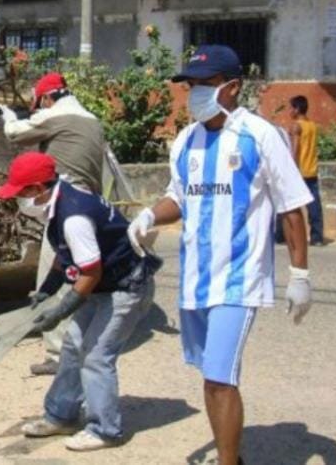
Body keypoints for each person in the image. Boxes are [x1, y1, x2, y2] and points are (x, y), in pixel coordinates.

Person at [127, 45, 314, 465]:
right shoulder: (185, 141)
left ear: (232, 87)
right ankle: (231, 454)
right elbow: (179, 197)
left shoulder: (259, 135)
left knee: (219, 377)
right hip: (196, 279)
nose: (195, 92)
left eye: (206, 84)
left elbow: (291, 208)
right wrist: (149, 215)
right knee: (210, 376)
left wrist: (300, 275)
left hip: (238, 279)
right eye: (190, 84)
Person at [0, 151, 160, 452]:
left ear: (37, 189)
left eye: (20, 193)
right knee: (72, 346)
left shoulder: (73, 216)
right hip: (103, 286)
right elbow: (66, 253)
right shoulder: (62, 202)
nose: (18, 200)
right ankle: (61, 416)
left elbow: (90, 272)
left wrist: (59, 312)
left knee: (96, 356)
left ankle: (105, 430)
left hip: (126, 287)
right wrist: (47, 289)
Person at [0, 71, 106, 375]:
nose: (40, 109)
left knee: (55, 279)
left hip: (66, 205)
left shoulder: (57, 115)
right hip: (91, 203)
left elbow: (15, 134)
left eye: (40, 104)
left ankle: (60, 355)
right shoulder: (92, 119)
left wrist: (8, 117)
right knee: (80, 273)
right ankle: (82, 343)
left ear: (46, 98)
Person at [288, 95, 325, 246]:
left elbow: (295, 149)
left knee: (287, 203)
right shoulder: (313, 126)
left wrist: (291, 168)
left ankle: (282, 235)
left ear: (297, 109)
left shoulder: (296, 126)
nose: (289, 111)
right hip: (312, 171)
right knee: (314, 206)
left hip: (299, 171)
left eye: (291, 108)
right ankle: (317, 237)